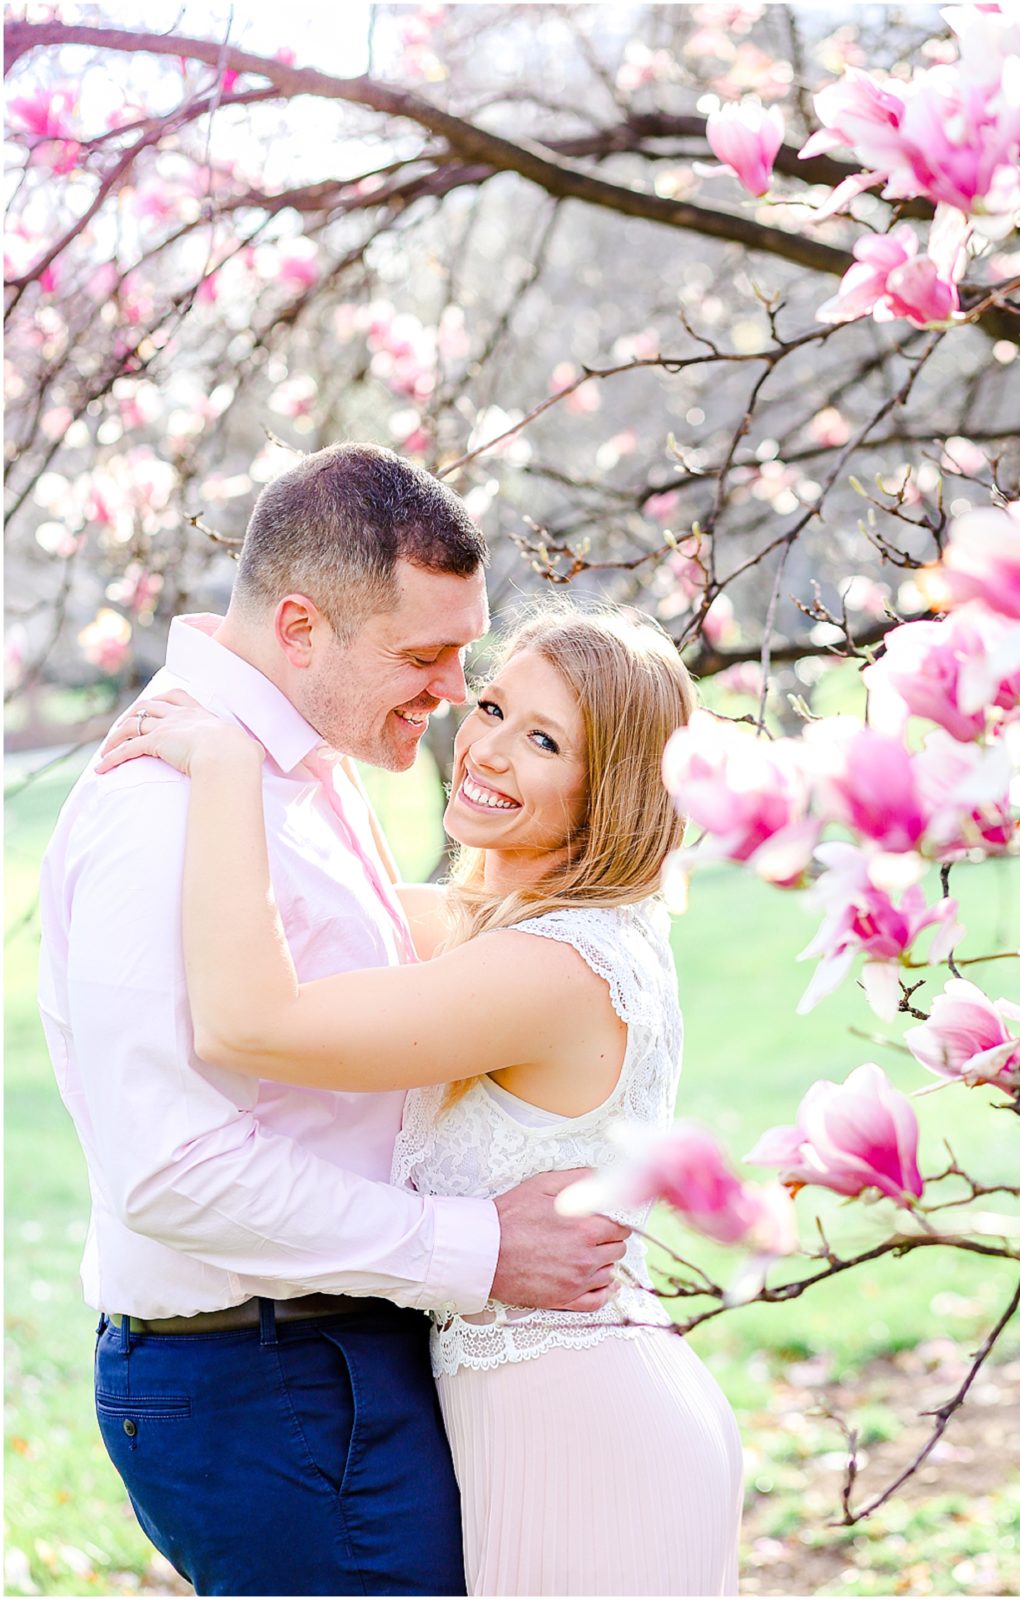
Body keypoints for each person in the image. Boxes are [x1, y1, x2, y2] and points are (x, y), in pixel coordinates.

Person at [38, 443, 631, 1599]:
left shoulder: (292, 767)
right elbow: (173, 1169)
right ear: (301, 627)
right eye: (423, 655)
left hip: (332, 1356)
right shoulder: (165, 809)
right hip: (270, 1381)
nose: (455, 691)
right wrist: (484, 1248)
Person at [96, 601, 745, 1597]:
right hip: (523, 1432)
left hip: (589, 1445)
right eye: (489, 707)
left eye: (541, 739)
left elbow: (255, 1021)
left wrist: (229, 765)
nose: (484, 749)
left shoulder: (553, 967)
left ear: (607, 787)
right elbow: (301, 912)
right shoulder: (497, 924)